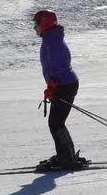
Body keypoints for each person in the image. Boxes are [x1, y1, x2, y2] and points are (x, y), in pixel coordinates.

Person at [32, 10, 83, 170]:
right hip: (65, 84)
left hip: (63, 85)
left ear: (45, 22)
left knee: (55, 123)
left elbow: (56, 65)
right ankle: (67, 155)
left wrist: (52, 86)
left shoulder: (51, 40)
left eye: (37, 23)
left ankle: (65, 157)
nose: (35, 27)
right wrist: (52, 86)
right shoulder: (52, 37)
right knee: (57, 122)